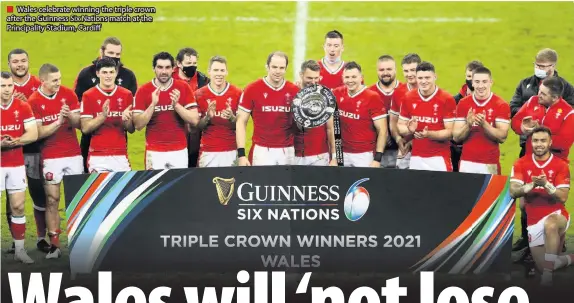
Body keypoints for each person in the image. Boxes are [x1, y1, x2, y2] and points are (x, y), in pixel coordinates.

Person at [511, 76, 573, 255]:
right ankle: (528, 241)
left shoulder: (568, 113)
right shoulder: (532, 101)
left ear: (554, 98)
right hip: (530, 161)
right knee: (524, 204)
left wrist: (540, 132)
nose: (538, 95)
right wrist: (524, 129)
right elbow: (516, 122)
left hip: (555, 164)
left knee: (552, 199)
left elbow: (565, 142)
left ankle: (557, 239)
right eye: (539, 91)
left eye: (543, 94)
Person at [28, 64, 82, 259]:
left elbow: (80, 125)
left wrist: (71, 117)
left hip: (73, 154)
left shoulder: (68, 94)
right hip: (51, 156)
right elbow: (38, 133)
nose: (59, 83)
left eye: (59, 79)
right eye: (54, 80)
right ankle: (55, 246)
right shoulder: (34, 101)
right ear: (43, 81)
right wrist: (58, 122)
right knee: (52, 200)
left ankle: (80, 242)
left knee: (77, 199)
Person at [509, 126, 574, 286]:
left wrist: (547, 185)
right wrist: (529, 186)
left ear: (550, 142)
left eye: (543, 141)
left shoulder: (561, 165)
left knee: (550, 225)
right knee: (544, 265)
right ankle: (569, 258)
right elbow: (513, 192)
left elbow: (563, 196)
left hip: (557, 215)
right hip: (533, 220)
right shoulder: (521, 163)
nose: (539, 144)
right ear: (531, 142)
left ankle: (547, 278)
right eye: (536, 140)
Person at [6, 48, 49, 254]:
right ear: (9, 65)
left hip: (33, 149)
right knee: (11, 196)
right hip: (7, 154)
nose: (20, 65)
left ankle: (41, 238)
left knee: (37, 191)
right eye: (16, 62)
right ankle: (16, 241)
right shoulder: (4, 86)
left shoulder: (38, 86)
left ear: (28, 62)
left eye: (23, 60)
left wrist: (27, 104)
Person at [74, 37, 138, 173]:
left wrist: (127, 118)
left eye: (118, 55)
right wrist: (100, 116)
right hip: (93, 144)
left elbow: (132, 122)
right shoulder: (86, 76)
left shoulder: (128, 78)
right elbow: (77, 106)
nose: (114, 58)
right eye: (111, 54)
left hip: (119, 145)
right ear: (101, 52)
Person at [133, 52, 199, 170]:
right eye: (160, 67)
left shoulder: (183, 87)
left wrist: (177, 106)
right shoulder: (144, 90)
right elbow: (138, 125)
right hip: (154, 152)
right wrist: (152, 105)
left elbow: (194, 120)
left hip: (179, 151)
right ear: (154, 68)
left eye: (167, 67)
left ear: (173, 68)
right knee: (154, 187)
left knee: (178, 187)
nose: (164, 71)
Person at [236, 51, 300, 166]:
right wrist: (241, 154)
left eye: (281, 68)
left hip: (288, 150)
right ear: (267, 67)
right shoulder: (252, 89)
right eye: (274, 67)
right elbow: (241, 121)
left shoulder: (294, 91)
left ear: (286, 69)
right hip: (262, 151)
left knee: (287, 184)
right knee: (260, 183)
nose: (278, 71)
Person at [1, 71, 38, 263]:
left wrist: (16, 141)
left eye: (9, 86)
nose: (7, 90)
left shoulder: (22, 106)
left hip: (15, 164)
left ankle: (20, 250)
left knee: (18, 206)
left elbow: (32, 134)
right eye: (2, 86)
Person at [397, 61, 457, 171]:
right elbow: (400, 126)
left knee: (440, 188)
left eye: (427, 78)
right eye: (420, 78)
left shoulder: (446, 99)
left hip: (439, 159)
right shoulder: (408, 98)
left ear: (435, 77)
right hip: (416, 158)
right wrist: (409, 130)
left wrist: (428, 134)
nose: (423, 81)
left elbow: (450, 132)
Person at [453, 67, 510, 174]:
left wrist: (484, 124)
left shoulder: (501, 105)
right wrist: (468, 125)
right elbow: (456, 137)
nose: (480, 86)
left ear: (491, 82)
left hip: (490, 164)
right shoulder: (463, 103)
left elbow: (502, 137)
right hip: (466, 163)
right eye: (477, 82)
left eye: (484, 82)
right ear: (472, 83)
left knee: (491, 191)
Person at [333, 61, 387, 167]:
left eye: (354, 77)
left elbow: (383, 130)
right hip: (342, 153)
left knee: (362, 184)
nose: (350, 81)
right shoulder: (336, 93)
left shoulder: (372, 97)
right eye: (347, 77)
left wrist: (377, 159)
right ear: (343, 78)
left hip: (364, 155)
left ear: (361, 77)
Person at [195, 56, 241, 167]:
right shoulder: (199, 94)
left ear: (226, 72)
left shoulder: (237, 93)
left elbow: (240, 126)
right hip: (207, 152)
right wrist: (207, 117)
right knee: (206, 184)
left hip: (231, 151)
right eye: (216, 70)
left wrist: (232, 118)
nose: (219, 74)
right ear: (209, 72)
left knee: (232, 184)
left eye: (222, 70)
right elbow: (196, 127)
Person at [172, 47, 210, 169]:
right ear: (178, 63)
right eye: (188, 64)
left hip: (196, 131)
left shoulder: (203, 80)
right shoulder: (169, 79)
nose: (192, 67)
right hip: (175, 130)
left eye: (194, 64)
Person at [294, 60, 337, 166]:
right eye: (309, 78)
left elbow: (331, 129)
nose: (313, 82)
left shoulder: (326, 97)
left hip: (320, 155)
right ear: (301, 75)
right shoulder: (292, 93)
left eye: (316, 78)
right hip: (296, 154)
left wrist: (335, 156)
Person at [369, 55, 407, 168]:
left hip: (403, 149)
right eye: (382, 70)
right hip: (377, 151)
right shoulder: (369, 92)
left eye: (389, 69)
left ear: (395, 70)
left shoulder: (406, 91)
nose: (385, 73)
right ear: (377, 71)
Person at [389, 53, 422, 169]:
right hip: (404, 149)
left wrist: (412, 142)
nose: (409, 74)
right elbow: (393, 121)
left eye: (413, 70)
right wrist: (398, 140)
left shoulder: (428, 90)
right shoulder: (398, 92)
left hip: (426, 148)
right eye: (406, 71)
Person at [451, 60, 484, 172]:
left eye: (473, 76)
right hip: (456, 152)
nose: (470, 80)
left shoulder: (489, 101)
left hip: (480, 153)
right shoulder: (453, 101)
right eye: (468, 76)